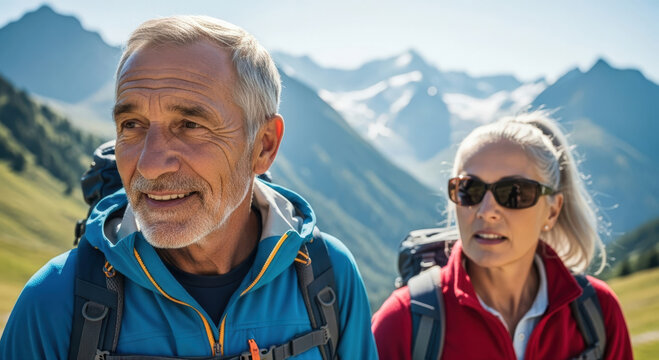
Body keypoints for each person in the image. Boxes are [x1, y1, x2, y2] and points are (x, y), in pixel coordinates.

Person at [0, 16, 377, 359]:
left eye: (191, 126)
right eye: (131, 124)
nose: (148, 164)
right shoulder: (54, 301)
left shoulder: (329, 277)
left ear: (263, 146)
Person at [371, 111, 632, 359]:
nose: (486, 212)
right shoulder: (401, 322)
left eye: (514, 193)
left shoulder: (597, 313)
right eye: (469, 189)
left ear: (552, 211)